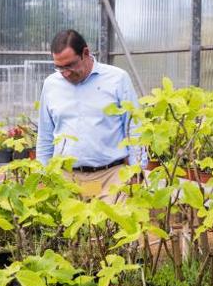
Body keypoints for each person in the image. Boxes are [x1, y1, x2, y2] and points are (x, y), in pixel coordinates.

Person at [37, 29, 143, 201]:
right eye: (59, 67)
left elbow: (134, 128)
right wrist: (43, 175)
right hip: (66, 178)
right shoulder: (51, 85)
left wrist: (137, 170)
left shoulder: (117, 79)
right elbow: (45, 135)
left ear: (85, 53)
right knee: (69, 227)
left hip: (111, 177)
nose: (65, 73)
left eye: (70, 65)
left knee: (112, 226)